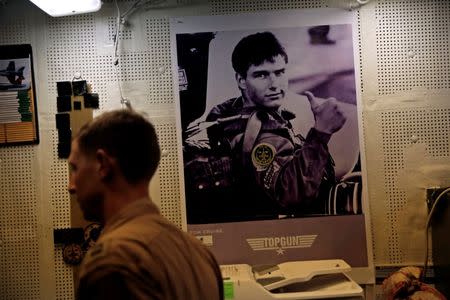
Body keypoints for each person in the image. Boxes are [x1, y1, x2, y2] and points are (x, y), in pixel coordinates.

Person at [68, 109, 224, 299]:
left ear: (102, 165)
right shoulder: (197, 252)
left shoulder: (113, 260)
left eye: (75, 168)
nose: (71, 186)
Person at [205, 31, 347, 219]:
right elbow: (291, 195)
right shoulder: (256, 133)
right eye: (261, 75)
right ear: (241, 80)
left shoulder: (232, 113)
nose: (275, 84)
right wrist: (321, 132)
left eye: (279, 72)